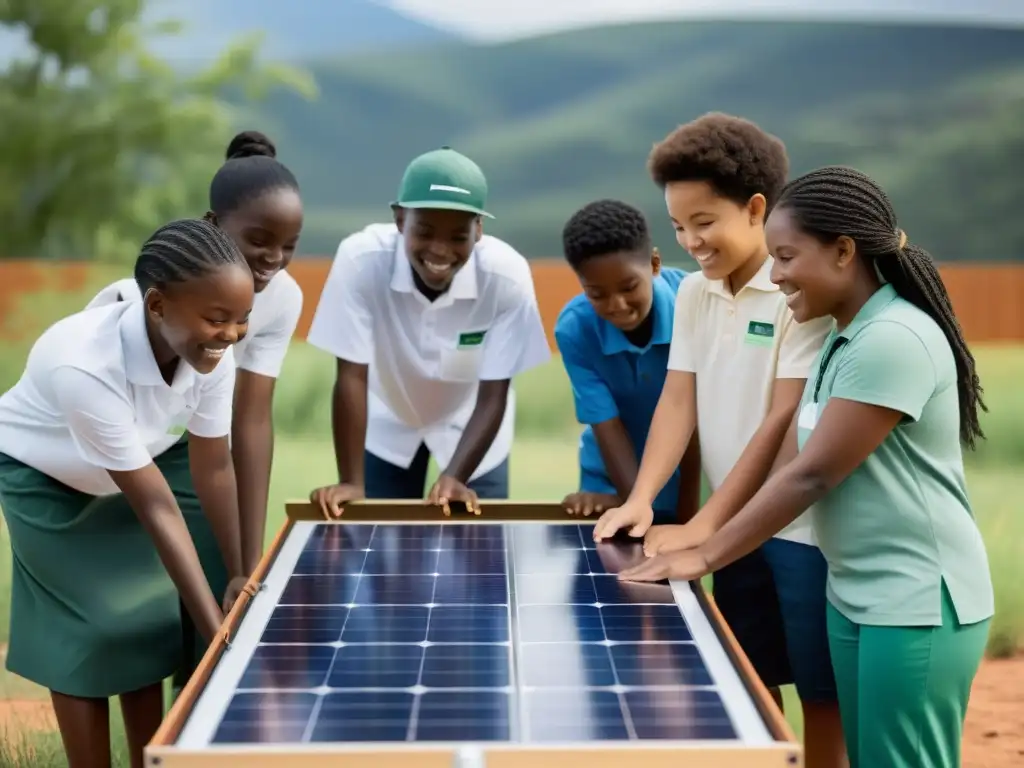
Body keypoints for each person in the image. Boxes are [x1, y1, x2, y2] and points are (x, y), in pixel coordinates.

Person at [617, 166, 994, 768]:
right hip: (857, 592)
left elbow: (812, 474)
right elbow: (791, 460)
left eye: (787, 257)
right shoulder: (842, 337)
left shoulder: (892, 338)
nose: (779, 273)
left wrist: (707, 550)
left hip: (918, 600)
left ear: (844, 252)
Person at [592, 114, 844, 766]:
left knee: (820, 694)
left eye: (703, 222)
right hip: (735, 531)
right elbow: (680, 399)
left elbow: (780, 422)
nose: (690, 241)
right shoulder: (699, 295)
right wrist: (643, 498)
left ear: (756, 208)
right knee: (752, 682)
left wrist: (705, 526)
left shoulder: (797, 292)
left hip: (800, 532)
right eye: (677, 226)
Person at [0, 219, 253, 768]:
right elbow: (156, 503)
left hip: (133, 468)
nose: (232, 335)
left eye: (242, 319)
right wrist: (218, 635)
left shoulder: (214, 349)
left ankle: (148, 761)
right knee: (86, 630)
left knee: (147, 623)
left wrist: (236, 572)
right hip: (41, 475)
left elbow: (213, 466)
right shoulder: (83, 364)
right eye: (218, 319)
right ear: (158, 305)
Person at [85, 130, 304, 687]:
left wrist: (246, 562)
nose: (273, 261)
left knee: (217, 569)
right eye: (258, 240)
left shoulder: (284, 297)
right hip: (130, 442)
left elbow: (251, 419)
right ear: (212, 224)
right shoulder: (167, 281)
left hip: (202, 437)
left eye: (289, 245)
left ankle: (202, 698)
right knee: (149, 586)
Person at [306, 146, 551, 515]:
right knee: (380, 556)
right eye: (425, 231)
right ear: (401, 219)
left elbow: (494, 393)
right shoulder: (360, 260)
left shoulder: (506, 277)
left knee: (479, 559)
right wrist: (352, 481)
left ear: (479, 230)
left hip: (475, 431)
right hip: (386, 422)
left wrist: (457, 475)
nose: (440, 249)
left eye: (458, 236)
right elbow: (351, 377)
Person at [554, 199, 701, 522]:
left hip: (692, 479)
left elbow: (695, 425)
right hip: (612, 482)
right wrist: (636, 507)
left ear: (654, 263)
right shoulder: (574, 330)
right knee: (617, 566)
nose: (617, 305)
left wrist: (687, 520)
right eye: (596, 294)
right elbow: (607, 425)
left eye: (629, 286)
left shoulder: (695, 304)